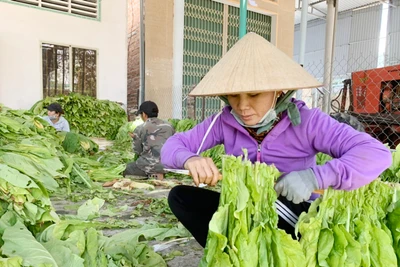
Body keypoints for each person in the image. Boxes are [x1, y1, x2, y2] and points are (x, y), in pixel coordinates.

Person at [160, 32, 392, 247]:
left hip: (294, 212)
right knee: (180, 198)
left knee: (271, 207)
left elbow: (376, 153)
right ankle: (231, 252)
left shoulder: (308, 122)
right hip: (246, 207)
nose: (242, 106)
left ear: (278, 90)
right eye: (233, 95)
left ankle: (272, 249)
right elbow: (172, 147)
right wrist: (190, 159)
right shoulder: (222, 122)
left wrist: (315, 177)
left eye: (254, 94)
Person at [123, 101, 175, 180]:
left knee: (127, 168)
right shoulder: (169, 126)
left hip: (148, 166)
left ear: (144, 114)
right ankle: (161, 174)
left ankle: (150, 175)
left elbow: (137, 151)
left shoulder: (140, 128)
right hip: (168, 166)